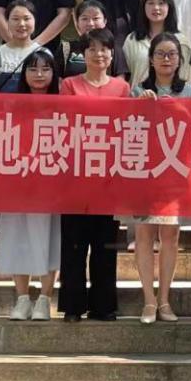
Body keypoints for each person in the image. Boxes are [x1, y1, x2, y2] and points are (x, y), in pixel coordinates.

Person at [59, 28, 133, 323]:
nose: (98, 54)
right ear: (83, 53)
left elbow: (126, 129)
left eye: (104, 49)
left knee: (105, 245)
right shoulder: (69, 85)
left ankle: (103, 305)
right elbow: (65, 125)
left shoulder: (122, 88)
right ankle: (73, 306)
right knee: (74, 244)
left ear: (112, 54)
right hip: (75, 175)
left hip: (108, 177)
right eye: (92, 49)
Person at [128, 32, 191, 323]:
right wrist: (140, 108)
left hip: (176, 173)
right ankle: (148, 300)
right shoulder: (137, 91)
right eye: (160, 54)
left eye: (172, 54)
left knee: (170, 235)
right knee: (144, 234)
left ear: (179, 60)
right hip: (145, 173)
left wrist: (181, 111)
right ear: (151, 60)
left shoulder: (190, 92)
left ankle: (165, 300)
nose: (166, 59)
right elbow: (127, 132)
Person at [0, 48, 64, 321]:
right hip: (17, 181)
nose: (39, 75)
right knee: (17, 238)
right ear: (23, 74)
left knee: (49, 238)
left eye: (45, 69)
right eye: (33, 69)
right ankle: (22, 298)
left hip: (50, 183)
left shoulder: (63, 104)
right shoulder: (12, 104)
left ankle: (44, 299)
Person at [124, 0, 191, 92]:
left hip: (173, 99)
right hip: (139, 98)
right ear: (143, 6)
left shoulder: (181, 41)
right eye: (151, 3)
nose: (156, 8)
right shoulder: (132, 39)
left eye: (161, 3)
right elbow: (126, 77)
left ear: (169, 7)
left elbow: (185, 77)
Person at [0, 0, 42, 89]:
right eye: (15, 19)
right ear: (7, 22)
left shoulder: (43, 53)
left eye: (26, 19)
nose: (21, 24)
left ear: (34, 21)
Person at [64, 0, 109, 78]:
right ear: (77, 22)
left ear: (105, 21)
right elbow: (59, 80)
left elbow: (120, 79)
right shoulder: (65, 48)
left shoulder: (112, 47)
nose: (90, 23)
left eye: (95, 18)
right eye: (85, 19)